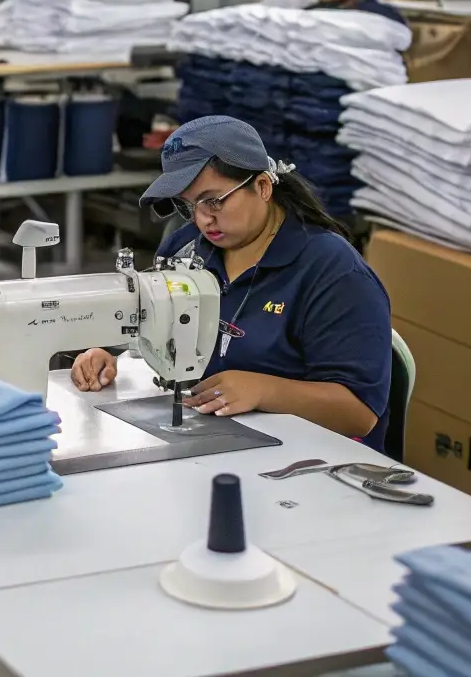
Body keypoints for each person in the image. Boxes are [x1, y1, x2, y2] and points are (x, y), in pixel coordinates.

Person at [71, 116, 393, 451]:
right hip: (221, 442)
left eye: (213, 201)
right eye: (189, 205)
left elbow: (359, 413)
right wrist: (109, 353)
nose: (201, 219)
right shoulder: (186, 249)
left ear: (264, 187)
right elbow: (153, 324)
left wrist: (264, 391)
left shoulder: (334, 273)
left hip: (312, 461)